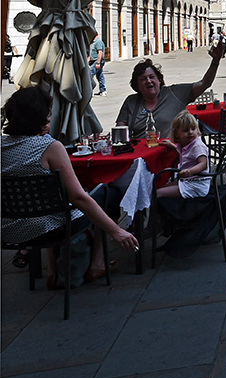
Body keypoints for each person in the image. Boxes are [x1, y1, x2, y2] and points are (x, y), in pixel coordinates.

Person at [2, 87, 139, 288]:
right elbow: (77, 198)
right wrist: (116, 231)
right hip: (49, 228)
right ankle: (98, 263)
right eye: (48, 113)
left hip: (9, 231)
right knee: (107, 193)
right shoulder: (49, 147)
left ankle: (53, 270)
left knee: (54, 202)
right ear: (39, 117)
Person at [116, 42, 224, 138]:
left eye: (151, 77)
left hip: (171, 154)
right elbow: (119, 131)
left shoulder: (175, 93)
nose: (148, 81)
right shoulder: (131, 101)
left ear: (159, 79)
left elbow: (204, 83)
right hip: (140, 156)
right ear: (137, 85)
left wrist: (215, 61)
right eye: (143, 79)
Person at [156, 112, 210, 198]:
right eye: (185, 130)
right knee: (156, 188)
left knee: (157, 193)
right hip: (188, 181)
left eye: (193, 129)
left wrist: (189, 171)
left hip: (196, 185)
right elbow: (183, 156)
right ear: (177, 133)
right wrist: (172, 146)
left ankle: (158, 211)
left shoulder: (197, 146)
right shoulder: (184, 144)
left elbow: (203, 164)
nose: (190, 132)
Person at [89, 32, 107, 96]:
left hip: (97, 61)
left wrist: (98, 63)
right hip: (94, 61)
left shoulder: (98, 42)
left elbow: (100, 52)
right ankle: (103, 90)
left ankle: (90, 90)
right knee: (100, 75)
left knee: (90, 74)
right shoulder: (93, 42)